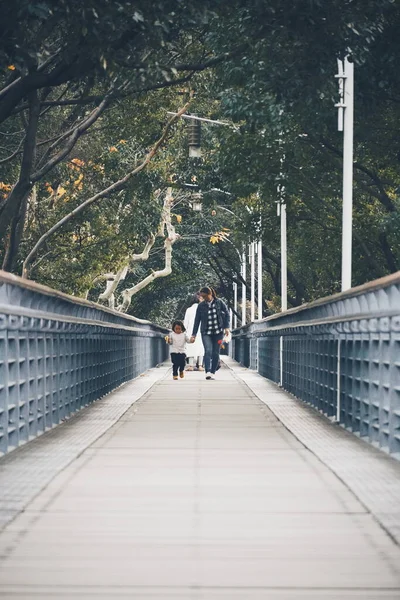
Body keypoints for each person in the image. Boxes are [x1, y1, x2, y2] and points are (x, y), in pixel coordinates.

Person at [190, 286, 230, 380]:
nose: (204, 299)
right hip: (206, 332)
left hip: (218, 332)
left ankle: (213, 372)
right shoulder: (201, 305)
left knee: (216, 352)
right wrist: (194, 334)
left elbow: (227, 314)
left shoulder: (219, 302)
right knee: (208, 350)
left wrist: (227, 327)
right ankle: (207, 371)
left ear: (210, 294)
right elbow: (197, 320)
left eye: (205, 297)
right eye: (203, 297)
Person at [183, 294, 204, 371]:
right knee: (201, 348)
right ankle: (200, 365)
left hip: (190, 331)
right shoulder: (202, 308)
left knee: (191, 348)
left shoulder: (189, 310)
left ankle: (191, 366)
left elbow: (185, 323)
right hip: (200, 331)